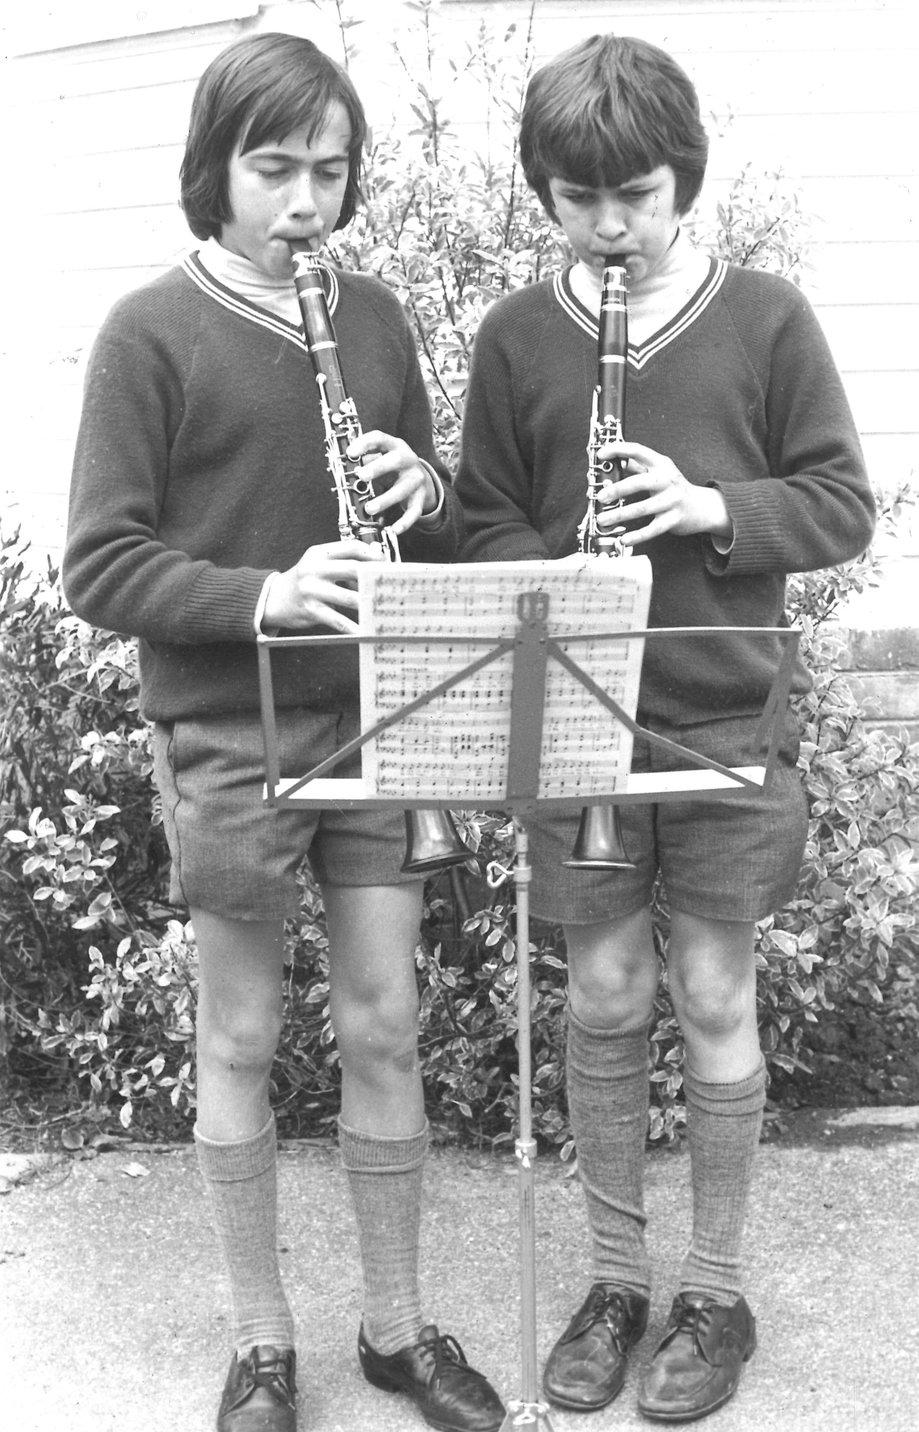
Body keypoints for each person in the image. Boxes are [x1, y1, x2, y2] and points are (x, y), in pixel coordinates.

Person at [63, 32, 505, 1432]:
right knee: (243, 1038)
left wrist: (419, 490)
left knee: (387, 1023)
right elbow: (100, 564)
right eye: (273, 171)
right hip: (230, 738)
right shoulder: (151, 331)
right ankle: (263, 1342)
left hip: (374, 722)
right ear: (218, 170)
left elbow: (422, 535)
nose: (304, 201)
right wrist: (265, 590)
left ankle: (393, 1326)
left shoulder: (371, 318)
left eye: (328, 171)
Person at [456, 33, 877, 1426]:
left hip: (719, 712)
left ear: (681, 176)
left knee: (709, 997)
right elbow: (477, 521)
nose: (611, 226)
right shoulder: (520, 336)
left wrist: (712, 508)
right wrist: (550, 568)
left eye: (635, 194)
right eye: (580, 202)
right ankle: (616, 1278)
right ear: (549, 195)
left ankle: (714, 1289)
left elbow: (838, 503)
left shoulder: (764, 318)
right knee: (610, 998)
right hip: (574, 719)